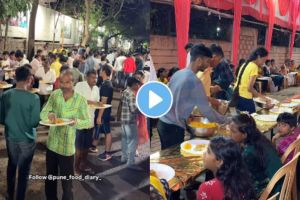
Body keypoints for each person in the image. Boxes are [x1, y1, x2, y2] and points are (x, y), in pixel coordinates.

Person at [158, 44, 229, 150]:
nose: (208, 65)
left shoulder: (178, 73)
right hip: (174, 127)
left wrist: (187, 113)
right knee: (175, 160)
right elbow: (206, 111)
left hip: (162, 123)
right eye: (207, 62)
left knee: (166, 155)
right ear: (199, 60)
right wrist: (226, 120)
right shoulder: (194, 81)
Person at [40, 70, 91, 199]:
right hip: (52, 145)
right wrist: (49, 115)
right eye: (61, 82)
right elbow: (43, 113)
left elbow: (87, 122)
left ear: (73, 82)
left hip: (67, 149)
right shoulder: (55, 95)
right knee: (50, 179)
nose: (63, 85)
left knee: (67, 184)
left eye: (67, 82)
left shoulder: (80, 100)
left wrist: (76, 122)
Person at [0, 65, 40, 200]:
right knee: (23, 172)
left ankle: (9, 195)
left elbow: (1, 118)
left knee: (12, 165)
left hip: (11, 137)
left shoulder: (5, 95)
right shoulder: (34, 98)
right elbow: (34, 123)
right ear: (30, 79)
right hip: (27, 140)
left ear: (15, 77)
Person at [230, 114, 282, 194]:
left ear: (244, 135)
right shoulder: (260, 139)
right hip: (279, 183)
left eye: (233, 131)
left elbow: (242, 178)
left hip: (270, 191)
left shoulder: (248, 153)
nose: (230, 134)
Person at [74, 70, 99, 174]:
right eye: (93, 77)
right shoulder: (80, 85)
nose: (95, 80)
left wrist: (99, 104)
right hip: (80, 121)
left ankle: (83, 165)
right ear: (87, 78)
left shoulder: (97, 88)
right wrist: (93, 102)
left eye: (96, 78)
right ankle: (76, 168)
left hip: (90, 121)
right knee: (79, 148)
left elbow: (97, 102)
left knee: (86, 147)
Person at [234, 47, 272, 114]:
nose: (263, 63)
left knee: (240, 119)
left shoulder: (245, 64)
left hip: (237, 95)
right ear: (258, 57)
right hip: (245, 98)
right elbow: (249, 88)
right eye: (263, 60)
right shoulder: (254, 67)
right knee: (251, 119)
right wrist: (264, 98)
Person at [90, 65, 114, 161]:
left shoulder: (106, 85)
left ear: (104, 71)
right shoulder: (105, 83)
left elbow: (103, 102)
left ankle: (107, 153)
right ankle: (93, 146)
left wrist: (99, 116)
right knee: (99, 129)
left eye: (101, 70)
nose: (99, 72)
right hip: (103, 111)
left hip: (104, 112)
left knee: (107, 132)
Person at [121, 77, 140, 165]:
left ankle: (123, 157)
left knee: (124, 139)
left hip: (123, 120)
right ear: (133, 84)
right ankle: (130, 162)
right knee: (133, 141)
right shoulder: (131, 94)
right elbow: (133, 109)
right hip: (130, 121)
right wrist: (141, 109)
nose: (138, 86)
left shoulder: (125, 92)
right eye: (137, 84)